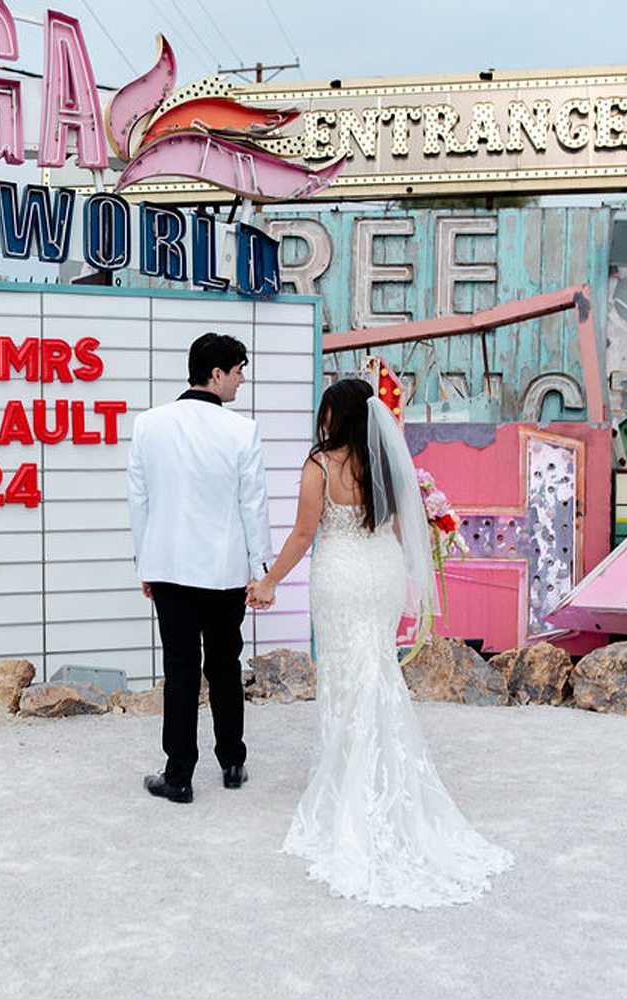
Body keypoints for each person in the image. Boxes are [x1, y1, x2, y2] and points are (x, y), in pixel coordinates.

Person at [247, 378, 512, 907]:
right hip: (382, 572)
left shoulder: (320, 464)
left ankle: (348, 773)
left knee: (349, 671)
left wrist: (270, 580)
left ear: (335, 417)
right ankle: (382, 770)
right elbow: (397, 530)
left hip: (342, 573)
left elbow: (304, 534)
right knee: (377, 667)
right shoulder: (388, 464)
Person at [127, 333, 273, 804]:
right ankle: (232, 762)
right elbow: (253, 506)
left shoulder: (148, 426)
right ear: (216, 373)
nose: (242, 380)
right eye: (238, 371)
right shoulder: (242, 431)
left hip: (168, 568)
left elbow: (139, 502)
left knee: (181, 669)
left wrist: (144, 565)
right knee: (225, 665)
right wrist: (261, 570)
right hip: (225, 571)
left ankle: (179, 776)